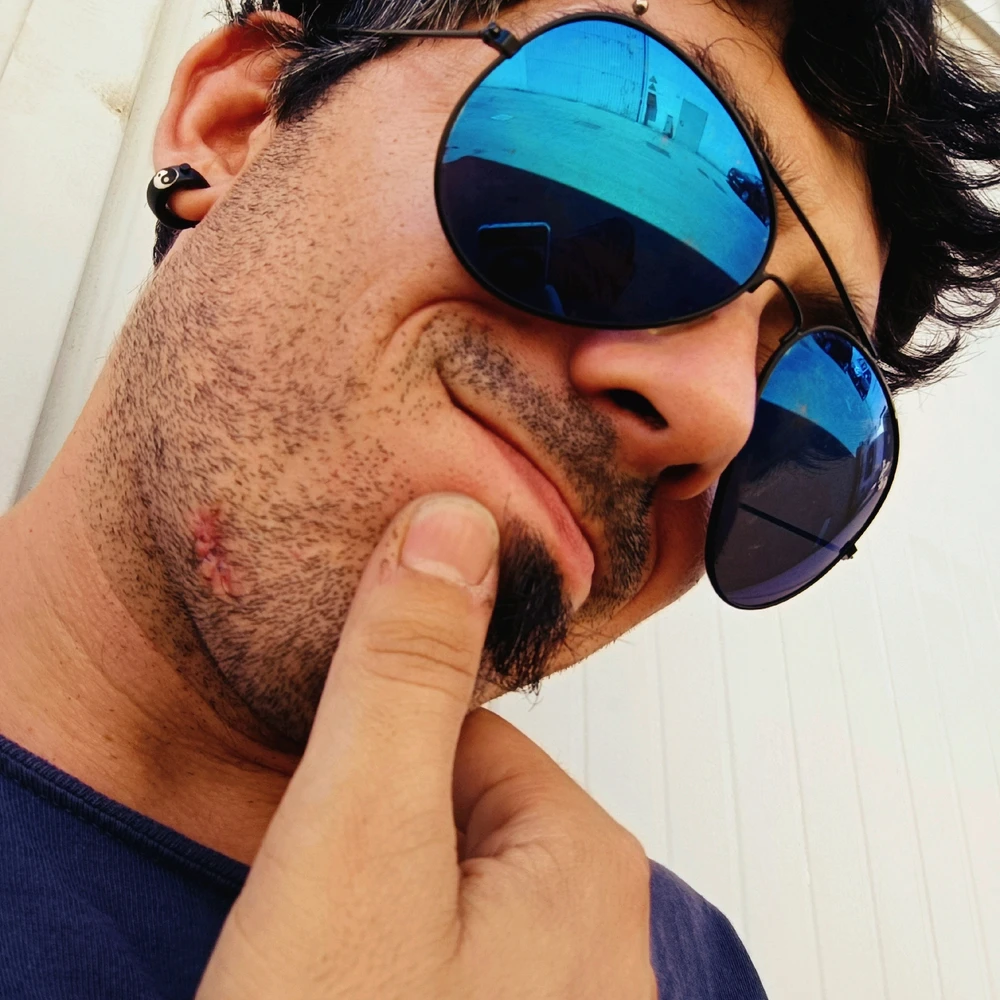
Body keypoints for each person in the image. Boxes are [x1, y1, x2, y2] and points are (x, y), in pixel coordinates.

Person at [0, 0, 997, 997]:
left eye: (803, 394)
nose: (717, 415)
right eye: (634, 190)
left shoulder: (682, 972)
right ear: (237, 124)